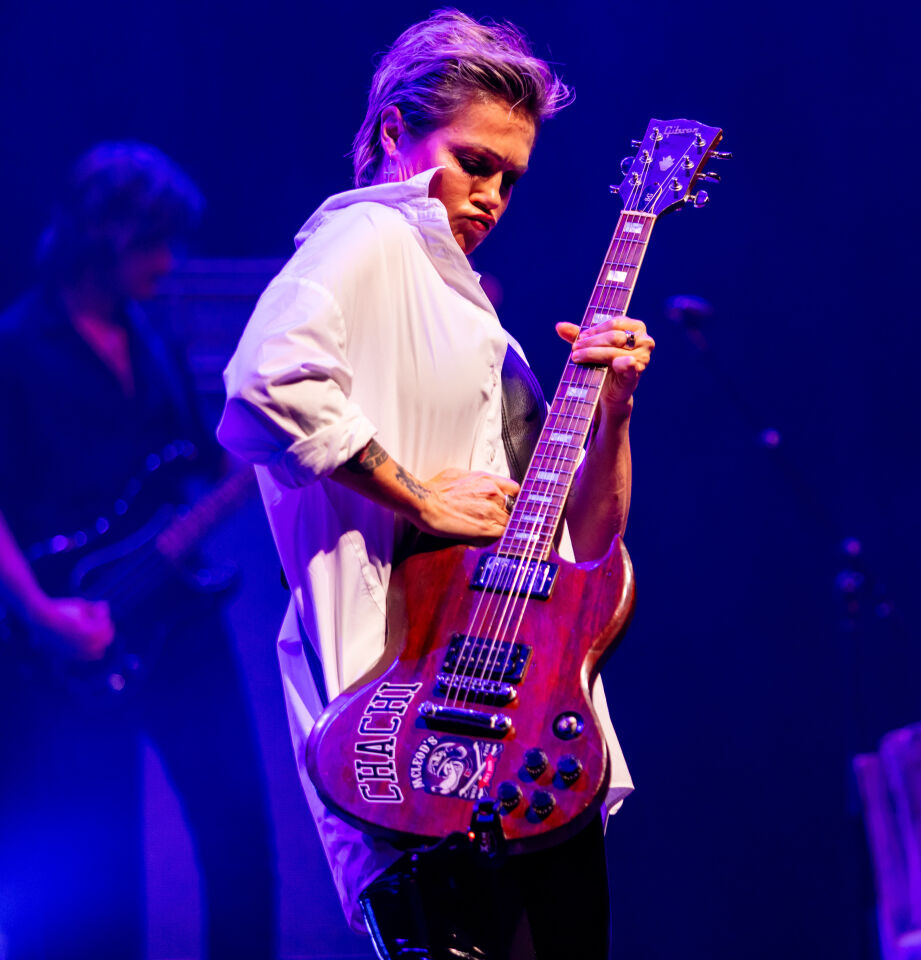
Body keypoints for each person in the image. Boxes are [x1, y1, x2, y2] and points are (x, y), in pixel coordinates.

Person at [216, 11, 655, 958]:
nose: (491, 195)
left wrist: (614, 408)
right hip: (411, 726)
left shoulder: (477, 323)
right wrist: (419, 496)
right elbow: (265, 382)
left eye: (510, 178)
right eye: (472, 162)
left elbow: (587, 546)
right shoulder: (369, 236)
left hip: (530, 734)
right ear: (393, 133)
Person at [0, 143, 277, 960]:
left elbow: (197, 461)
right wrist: (42, 615)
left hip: (179, 620)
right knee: (98, 876)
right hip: (70, 635)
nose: (168, 261)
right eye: (154, 243)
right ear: (104, 236)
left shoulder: (153, 334)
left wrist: (279, 440)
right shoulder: (16, 347)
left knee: (239, 836)